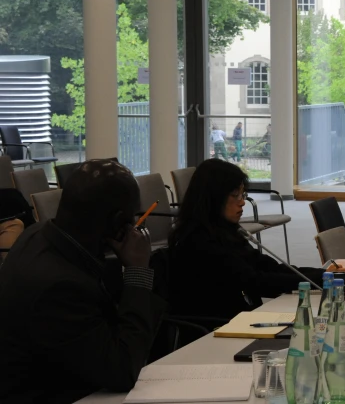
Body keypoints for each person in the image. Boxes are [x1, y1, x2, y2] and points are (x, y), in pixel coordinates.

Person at [0, 159, 165, 403]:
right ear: (118, 222)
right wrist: (138, 270)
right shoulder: (58, 286)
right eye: (132, 218)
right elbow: (122, 370)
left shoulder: (39, 234)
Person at [168, 159, 325, 320]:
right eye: (235, 195)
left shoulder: (227, 230)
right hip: (216, 327)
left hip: (241, 319)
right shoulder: (198, 240)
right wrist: (317, 280)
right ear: (214, 198)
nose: (242, 202)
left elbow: (267, 266)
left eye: (243, 194)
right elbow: (256, 282)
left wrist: (324, 275)